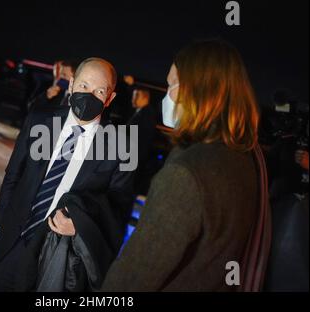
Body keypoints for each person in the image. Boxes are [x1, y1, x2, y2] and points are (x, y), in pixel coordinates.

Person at [101, 39, 266, 291]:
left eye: (172, 85)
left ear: (199, 90)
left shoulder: (186, 172)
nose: (167, 95)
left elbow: (133, 278)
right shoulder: (244, 157)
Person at [0, 57, 134, 291]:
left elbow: (120, 206)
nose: (89, 95)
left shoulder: (122, 145)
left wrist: (81, 226)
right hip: (15, 239)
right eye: (84, 86)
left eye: (99, 91)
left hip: (61, 255)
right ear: (72, 84)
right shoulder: (39, 120)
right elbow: (14, 175)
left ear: (110, 98)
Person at [126, 88, 158, 195]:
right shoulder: (139, 112)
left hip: (135, 159)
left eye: (137, 96)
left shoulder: (147, 114)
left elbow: (143, 141)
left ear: (145, 97)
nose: (133, 99)